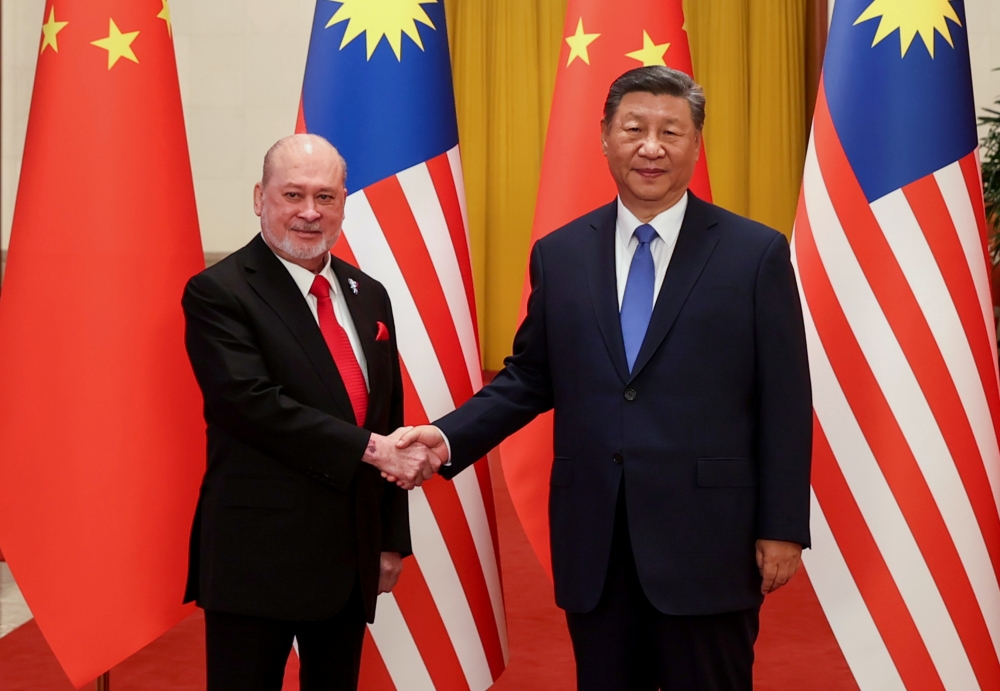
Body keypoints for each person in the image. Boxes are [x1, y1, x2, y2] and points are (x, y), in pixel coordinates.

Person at [398, 66, 812, 690]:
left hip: (708, 541)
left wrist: (781, 527)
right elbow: (531, 377)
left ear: (696, 143)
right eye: (635, 129)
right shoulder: (560, 254)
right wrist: (447, 436)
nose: (652, 147)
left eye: (671, 131)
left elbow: (786, 399)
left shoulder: (754, 254)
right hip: (597, 538)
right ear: (605, 138)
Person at [181, 134, 440, 691]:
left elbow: (387, 415)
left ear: (344, 202)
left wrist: (390, 538)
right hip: (256, 560)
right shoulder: (218, 292)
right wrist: (374, 451)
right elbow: (249, 404)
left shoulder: (368, 293)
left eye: (325, 197)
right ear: (259, 198)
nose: (308, 212)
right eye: (292, 194)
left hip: (348, 558)